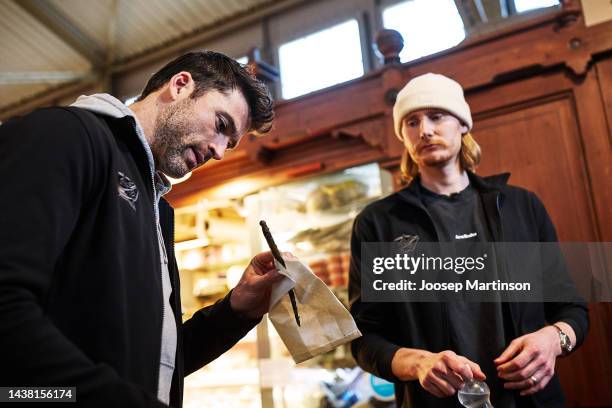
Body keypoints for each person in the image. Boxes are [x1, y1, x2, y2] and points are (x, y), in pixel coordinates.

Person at [0, 51, 284, 407]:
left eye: (230, 142)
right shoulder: (65, 134)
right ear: (180, 86)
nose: (220, 152)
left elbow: (150, 365)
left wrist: (234, 313)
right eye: (222, 125)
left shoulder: (158, 208)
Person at [348, 73, 589, 407]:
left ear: (462, 123)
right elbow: (364, 341)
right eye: (412, 122)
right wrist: (418, 364)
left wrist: (554, 338)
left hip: (531, 399)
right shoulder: (378, 224)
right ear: (403, 137)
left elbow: (572, 309)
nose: (425, 130)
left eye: (436, 116)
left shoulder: (522, 206)